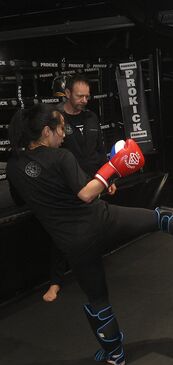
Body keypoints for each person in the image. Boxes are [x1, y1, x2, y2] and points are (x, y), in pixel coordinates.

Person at [6, 103, 173, 365]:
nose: (64, 134)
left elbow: (22, 199)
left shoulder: (14, 165)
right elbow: (85, 195)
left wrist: (93, 186)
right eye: (61, 128)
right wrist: (114, 168)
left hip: (72, 242)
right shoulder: (61, 157)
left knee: (97, 298)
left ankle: (114, 353)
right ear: (47, 131)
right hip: (100, 221)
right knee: (158, 218)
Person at [43, 74, 114, 302]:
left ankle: (91, 268)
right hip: (66, 184)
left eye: (87, 96)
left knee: (94, 224)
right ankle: (55, 281)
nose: (84, 100)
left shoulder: (92, 117)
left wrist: (109, 179)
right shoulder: (55, 118)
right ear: (67, 94)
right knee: (61, 234)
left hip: (93, 182)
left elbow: (100, 152)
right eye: (80, 96)